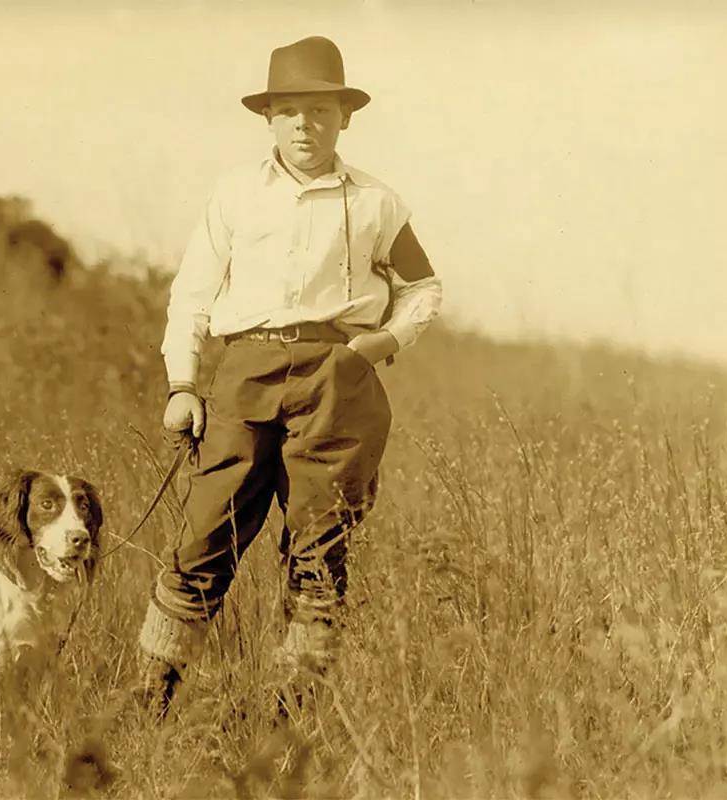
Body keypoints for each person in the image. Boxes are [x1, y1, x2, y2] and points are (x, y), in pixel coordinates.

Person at [135, 35, 444, 717]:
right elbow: (192, 293)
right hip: (243, 374)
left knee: (318, 549)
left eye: (321, 112)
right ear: (269, 117)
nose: (307, 126)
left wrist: (377, 344)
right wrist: (183, 386)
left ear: (344, 118)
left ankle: (291, 722)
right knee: (202, 538)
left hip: (339, 380)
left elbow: (423, 287)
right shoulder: (235, 194)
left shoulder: (376, 203)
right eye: (291, 111)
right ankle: (145, 708)